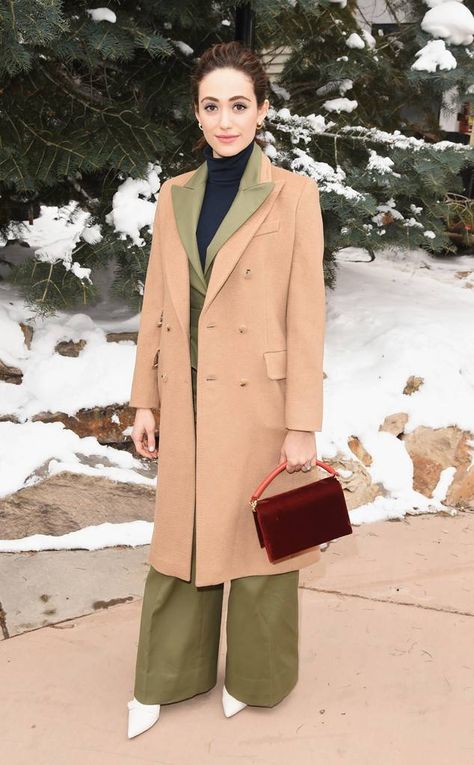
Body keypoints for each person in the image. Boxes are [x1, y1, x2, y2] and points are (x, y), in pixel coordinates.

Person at [127, 40, 326, 739]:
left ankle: (259, 675)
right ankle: (169, 673)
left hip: (258, 398)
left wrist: (302, 420)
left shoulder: (294, 194)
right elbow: (157, 302)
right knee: (180, 530)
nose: (225, 119)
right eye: (211, 105)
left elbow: (306, 314)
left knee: (263, 537)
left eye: (239, 104)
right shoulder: (173, 194)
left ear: (263, 110)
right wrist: (144, 398)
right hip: (184, 390)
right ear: (196, 113)